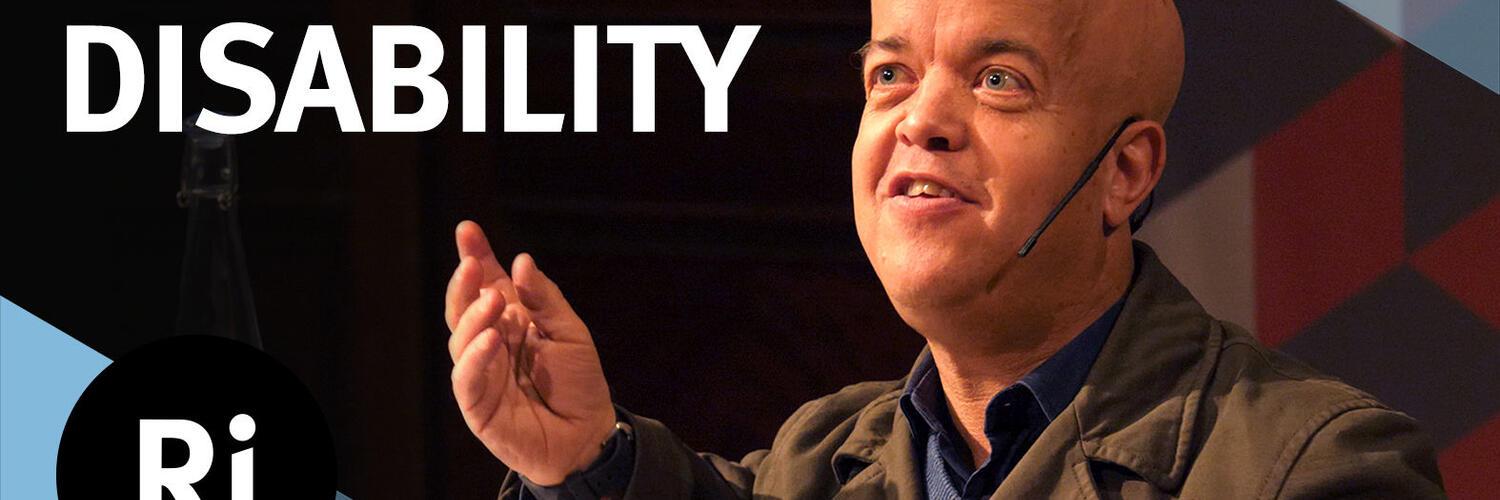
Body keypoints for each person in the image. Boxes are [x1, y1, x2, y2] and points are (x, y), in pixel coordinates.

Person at [443, 0, 1446, 498]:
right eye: (889, 75)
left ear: (1125, 172)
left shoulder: (1311, 469)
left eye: (999, 80)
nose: (919, 120)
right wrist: (583, 456)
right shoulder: (821, 457)